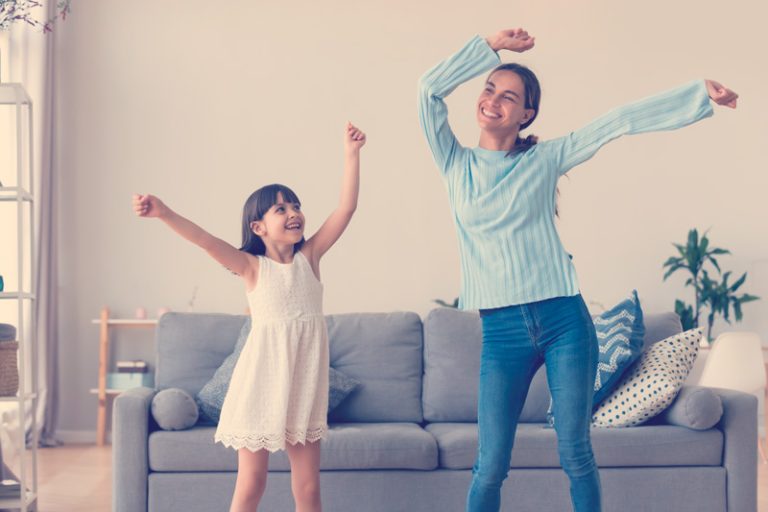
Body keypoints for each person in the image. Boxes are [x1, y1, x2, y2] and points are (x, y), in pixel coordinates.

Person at [417, 27, 737, 512]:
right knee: (490, 464)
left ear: (527, 114)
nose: (493, 101)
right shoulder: (455, 164)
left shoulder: (545, 159)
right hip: (502, 332)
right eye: (489, 89)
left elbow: (617, 122)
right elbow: (427, 91)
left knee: (575, 451)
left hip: (564, 321)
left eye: (509, 97)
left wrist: (699, 93)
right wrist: (488, 45)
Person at [133, 122, 366, 512]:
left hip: (304, 386)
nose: (293, 213)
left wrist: (351, 155)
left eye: (295, 205)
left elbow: (346, 207)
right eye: (281, 208)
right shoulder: (251, 267)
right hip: (260, 387)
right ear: (258, 227)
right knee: (251, 484)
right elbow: (204, 240)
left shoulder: (310, 259)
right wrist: (163, 212)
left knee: (308, 488)